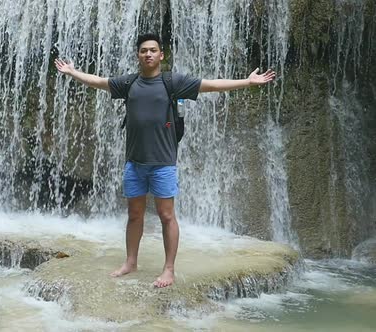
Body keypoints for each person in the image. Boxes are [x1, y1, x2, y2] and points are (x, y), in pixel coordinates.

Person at [54, 33, 275, 288]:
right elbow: (99, 82)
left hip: (163, 163)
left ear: (161, 55)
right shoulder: (129, 82)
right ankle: (130, 262)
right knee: (134, 214)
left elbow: (212, 85)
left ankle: (169, 269)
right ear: (138, 55)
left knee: (166, 215)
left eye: (153, 50)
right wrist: (72, 72)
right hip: (134, 163)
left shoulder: (174, 82)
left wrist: (247, 82)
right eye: (143, 50)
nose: (148, 54)